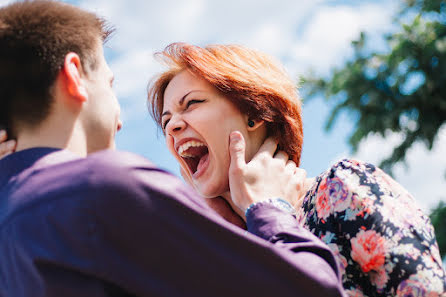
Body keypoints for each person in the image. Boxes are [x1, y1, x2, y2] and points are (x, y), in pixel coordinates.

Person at [0, 1, 346, 297]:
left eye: (191, 104)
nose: (171, 127)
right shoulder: (104, 187)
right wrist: (272, 209)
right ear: (74, 76)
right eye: (110, 83)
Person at [147, 42, 446, 296]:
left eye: (192, 103)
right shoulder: (213, 259)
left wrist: (268, 212)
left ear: (254, 113)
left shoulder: (341, 188)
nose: (173, 126)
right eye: (166, 121)